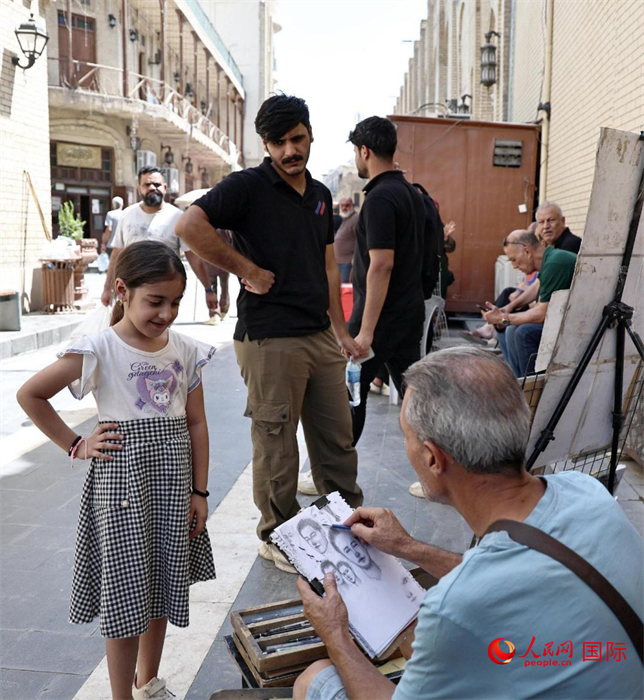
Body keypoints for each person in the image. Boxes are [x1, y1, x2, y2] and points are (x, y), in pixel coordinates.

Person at [294, 347, 643, 700]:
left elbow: (484, 588)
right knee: (414, 641)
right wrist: (406, 547)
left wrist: (335, 634)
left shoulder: (454, 607)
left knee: (315, 678)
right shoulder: (583, 489)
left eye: (406, 437)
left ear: (433, 458)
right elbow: (509, 576)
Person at [17, 241, 217, 700]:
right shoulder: (99, 348)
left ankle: (148, 681)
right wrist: (77, 444)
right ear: (123, 291)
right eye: (155, 301)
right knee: (126, 596)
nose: (166, 313)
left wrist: (200, 492)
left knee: (162, 584)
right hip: (123, 491)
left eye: (174, 302)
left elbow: (197, 423)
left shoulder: (186, 350)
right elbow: (30, 395)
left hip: (173, 488)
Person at [175, 94, 363, 574]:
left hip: (319, 335)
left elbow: (327, 265)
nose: (289, 150)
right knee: (277, 444)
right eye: (278, 143)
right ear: (265, 144)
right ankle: (278, 535)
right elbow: (189, 224)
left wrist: (340, 331)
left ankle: (348, 522)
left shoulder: (319, 194)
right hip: (269, 336)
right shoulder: (248, 187)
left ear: (310, 134)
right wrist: (246, 270)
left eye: (296, 139)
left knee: (337, 440)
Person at [347, 116, 426, 445]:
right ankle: (437, 465)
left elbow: (381, 264)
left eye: (355, 152)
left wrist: (366, 331)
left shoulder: (380, 198)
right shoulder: (410, 193)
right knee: (415, 397)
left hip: (379, 318)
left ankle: (338, 469)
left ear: (364, 151)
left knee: (350, 391)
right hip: (408, 312)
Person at [101, 166, 211, 309]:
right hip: (131, 289)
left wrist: (208, 290)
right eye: (147, 184)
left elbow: (193, 257)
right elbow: (117, 254)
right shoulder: (127, 215)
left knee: (159, 323)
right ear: (139, 189)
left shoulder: (178, 218)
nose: (152, 188)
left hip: (164, 292)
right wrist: (107, 288)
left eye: (157, 184)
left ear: (165, 188)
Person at [483, 229, 577, 377]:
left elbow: (541, 315)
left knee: (523, 332)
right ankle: (519, 381)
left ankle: (531, 387)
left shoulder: (555, 263)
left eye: (513, 259)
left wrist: (504, 318)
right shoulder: (550, 258)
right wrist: (508, 308)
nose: (514, 266)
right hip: (567, 320)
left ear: (527, 251)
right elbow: (536, 286)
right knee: (510, 329)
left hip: (578, 327)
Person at [203, 229, 233, 325]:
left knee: (211, 288)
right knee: (225, 287)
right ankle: (224, 311)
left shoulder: (207, 228)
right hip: (225, 261)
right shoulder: (226, 229)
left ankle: (215, 314)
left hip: (211, 261)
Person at [333, 197, 359, 283]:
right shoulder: (344, 218)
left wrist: (355, 257)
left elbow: (360, 240)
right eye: (342, 205)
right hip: (339, 261)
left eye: (347, 205)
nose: (344, 208)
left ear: (352, 205)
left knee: (345, 287)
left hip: (348, 262)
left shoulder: (355, 219)